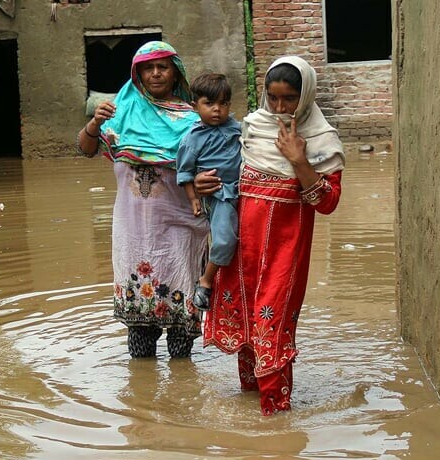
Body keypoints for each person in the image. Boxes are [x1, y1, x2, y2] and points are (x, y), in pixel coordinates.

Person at [194, 56, 345, 415]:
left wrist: (299, 161)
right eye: (273, 97)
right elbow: (226, 179)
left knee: (270, 329)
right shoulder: (251, 128)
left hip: (284, 252)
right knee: (247, 330)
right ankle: (257, 426)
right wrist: (201, 184)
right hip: (241, 248)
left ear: (305, 95)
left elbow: (327, 203)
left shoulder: (321, 139)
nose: (280, 107)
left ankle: (276, 418)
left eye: (289, 98)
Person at [77, 41, 209, 359]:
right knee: (140, 340)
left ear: (176, 72)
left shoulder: (194, 120)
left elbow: (213, 168)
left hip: (180, 227)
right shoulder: (120, 115)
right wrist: (95, 124)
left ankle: (182, 393)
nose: (155, 73)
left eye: (162, 66)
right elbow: (85, 149)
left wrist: (205, 181)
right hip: (133, 233)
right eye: (148, 68)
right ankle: (143, 399)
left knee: (181, 334)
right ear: (137, 74)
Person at [175, 73, 241, 311]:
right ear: (195, 106)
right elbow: (183, 173)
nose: (217, 110)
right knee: (224, 240)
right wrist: (194, 200)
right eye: (209, 104)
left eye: (223, 104)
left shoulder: (237, 128)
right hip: (219, 194)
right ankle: (206, 280)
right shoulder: (193, 138)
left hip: (243, 192)